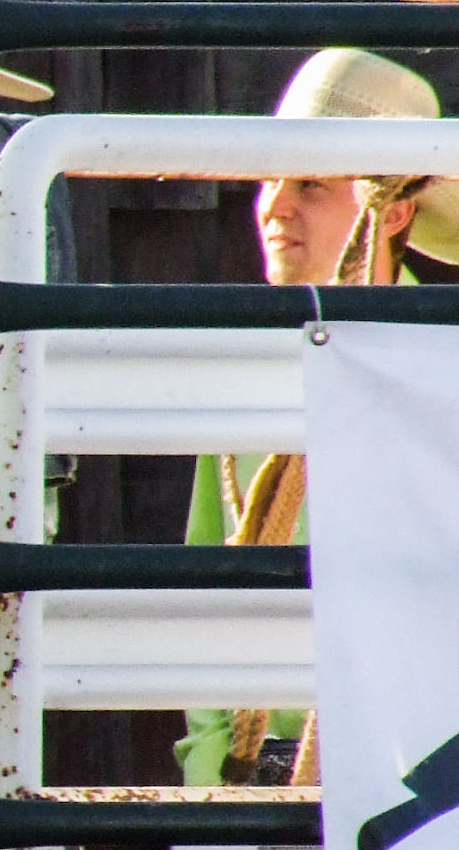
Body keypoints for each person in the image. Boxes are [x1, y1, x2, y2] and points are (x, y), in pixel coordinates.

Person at [178, 49, 459, 786]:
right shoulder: (242, 367)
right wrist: (213, 780)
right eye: (270, 179)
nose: (275, 207)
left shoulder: (443, 365)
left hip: (414, 775)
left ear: (393, 209)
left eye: (310, 185)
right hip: (264, 770)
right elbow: (207, 581)